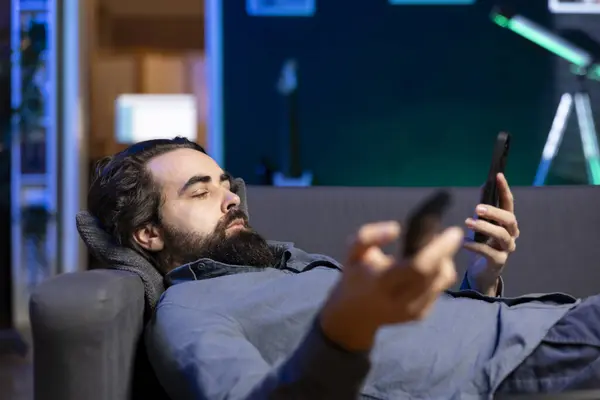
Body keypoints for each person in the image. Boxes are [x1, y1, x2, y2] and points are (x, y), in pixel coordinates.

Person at [88, 137, 597, 399]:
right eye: (199, 191)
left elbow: (421, 338)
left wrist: (482, 276)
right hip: (513, 361)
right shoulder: (189, 311)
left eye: (224, 183)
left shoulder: (277, 265)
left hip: (534, 329)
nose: (229, 199)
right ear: (148, 234)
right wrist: (342, 332)